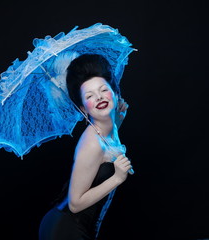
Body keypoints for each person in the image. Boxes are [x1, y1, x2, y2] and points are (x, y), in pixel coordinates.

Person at [38, 54, 133, 240]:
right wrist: (117, 178)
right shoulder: (91, 144)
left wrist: (117, 120)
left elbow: (109, 144)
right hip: (64, 230)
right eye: (89, 96)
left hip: (84, 226)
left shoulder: (108, 127)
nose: (98, 98)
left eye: (103, 90)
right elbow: (75, 203)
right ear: (83, 109)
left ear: (114, 92)